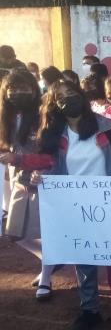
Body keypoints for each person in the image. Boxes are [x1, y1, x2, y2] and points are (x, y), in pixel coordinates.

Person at [24, 79, 111, 330]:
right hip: (75, 206)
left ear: (81, 96)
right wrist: (37, 173)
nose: (68, 99)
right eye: (60, 96)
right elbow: (49, 163)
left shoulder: (108, 127)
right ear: (54, 103)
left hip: (109, 204)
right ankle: (90, 310)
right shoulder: (57, 134)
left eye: (71, 93)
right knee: (84, 258)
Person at [0, 69, 58, 299]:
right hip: (18, 180)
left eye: (24, 88)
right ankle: (50, 259)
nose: (18, 93)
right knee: (15, 233)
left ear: (34, 90)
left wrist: (20, 160)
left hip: (41, 180)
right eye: (13, 89)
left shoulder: (45, 115)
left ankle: (46, 277)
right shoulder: (8, 117)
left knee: (44, 232)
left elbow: (52, 155)